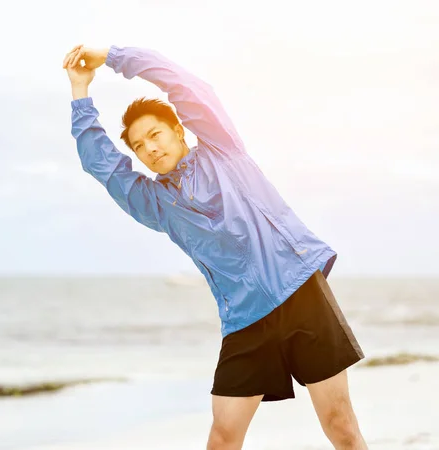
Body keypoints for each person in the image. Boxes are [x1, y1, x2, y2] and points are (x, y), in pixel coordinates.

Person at [62, 44, 368, 450]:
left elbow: (185, 86)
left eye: (155, 134)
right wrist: (80, 92)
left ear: (177, 130)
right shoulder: (156, 205)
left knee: (340, 424)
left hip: (301, 294)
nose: (150, 148)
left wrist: (115, 57)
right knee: (223, 437)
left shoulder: (223, 150)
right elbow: (101, 165)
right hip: (244, 322)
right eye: (139, 147)